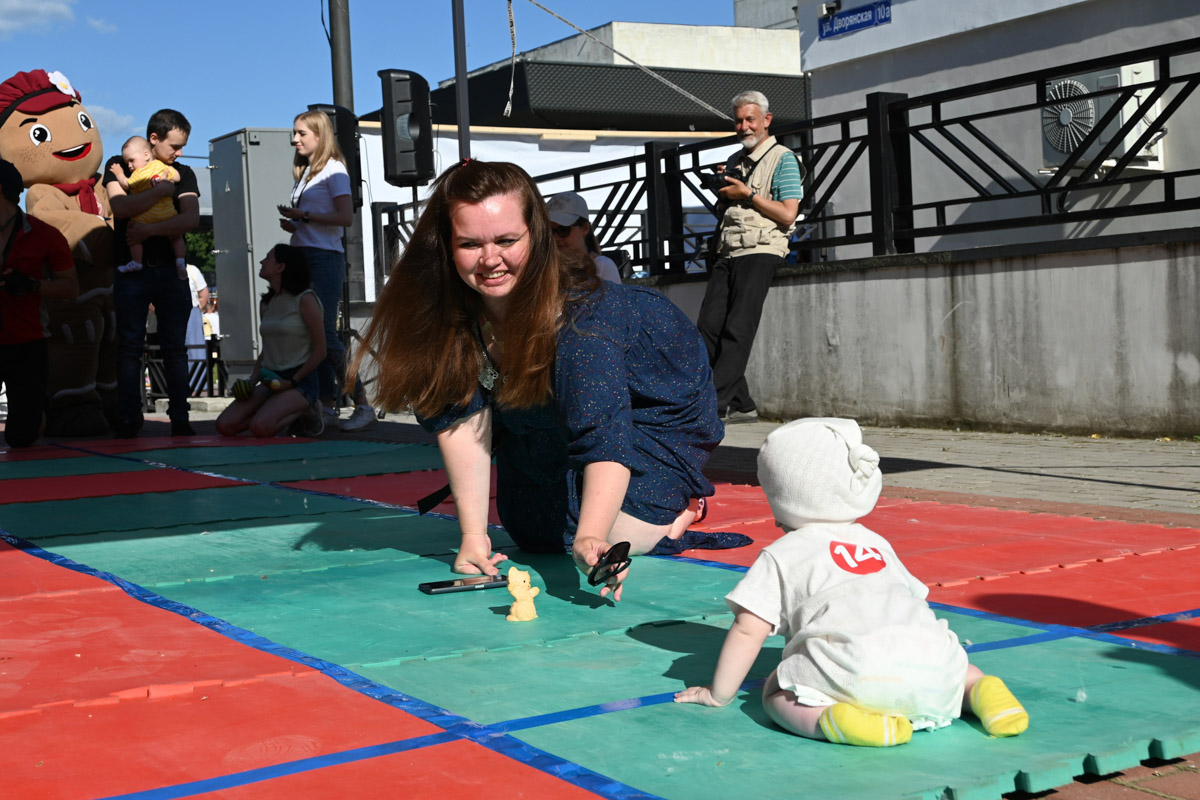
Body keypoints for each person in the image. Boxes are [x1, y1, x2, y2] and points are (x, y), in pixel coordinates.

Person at [356, 160, 724, 600]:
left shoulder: (583, 319)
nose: (490, 259)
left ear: (537, 235)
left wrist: (591, 539)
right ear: (446, 246)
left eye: (506, 240)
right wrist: (473, 537)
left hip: (650, 422)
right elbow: (462, 421)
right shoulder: (448, 311)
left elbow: (604, 435)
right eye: (470, 244)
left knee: (607, 533)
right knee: (533, 532)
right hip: (550, 423)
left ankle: (681, 506)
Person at [675, 418, 1029, 747]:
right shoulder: (878, 544)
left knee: (776, 693)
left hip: (861, 676)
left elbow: (748, 630)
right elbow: (915, 599)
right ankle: (979, 689)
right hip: (934, 668)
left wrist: (718, 694)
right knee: (956, 668)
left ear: (781, 498)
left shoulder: (784, 553)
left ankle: (834, 721)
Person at [697, 90, 803, 423]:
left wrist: (747, 194)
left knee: (738, 328)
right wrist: (724, 187)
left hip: (762, 248)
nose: (744, 127)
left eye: (750, 120)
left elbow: (788, 214)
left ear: (767, 120)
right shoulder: (735, 160)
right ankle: (743, 404)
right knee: (708, 328)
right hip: (728, 248)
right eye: (739, 121)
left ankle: (714, 406)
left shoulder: (784, 158)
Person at [276, 110, 376, 432]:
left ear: (320, 136)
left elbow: (346, 217)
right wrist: (297, 224)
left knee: (324, 334)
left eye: (301, 133)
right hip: (305, 256)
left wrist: (303, 217)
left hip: (324, 259)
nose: (295, 139)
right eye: (294, 133)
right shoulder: (306, 172)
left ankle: (362, 404)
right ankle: (327, 404)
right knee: (310, 334)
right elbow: (320, 220)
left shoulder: (334, 169)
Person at [103, 109, 199, 438]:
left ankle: (180, 417)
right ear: (153, 140)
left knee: (174, 348)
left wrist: (146, 230)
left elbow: (191, 219)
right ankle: (129, 417)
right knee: (130, 346)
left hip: (168, 272)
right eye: (175, 146)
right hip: (134, 274)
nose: (180, 153)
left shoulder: (182, 173)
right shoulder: (121, 164)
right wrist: (159, 194)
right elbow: (120, 208)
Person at [0, 158, 78, 447]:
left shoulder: (45, 235)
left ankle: (37, 408)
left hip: (27, 339)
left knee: (22, 437)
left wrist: (31, 285)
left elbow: (71, 288)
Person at [216, 244, 324, 438]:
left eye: (267, 258)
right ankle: (275, 410)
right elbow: (266, 350)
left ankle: (308, 409)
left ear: (280, 267)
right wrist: (252, 380)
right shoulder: (267, 303)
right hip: (270, 380)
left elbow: (320, 351)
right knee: (225, 426)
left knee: (260, 427)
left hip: (299, 381)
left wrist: (292, 381)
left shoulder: (305, 299)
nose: (261, 261)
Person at [107, 136, 186, 279]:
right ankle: (180, 260)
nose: (129, 165)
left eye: (131, 160)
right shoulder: (160, 166)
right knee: (176, 236)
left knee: (134, 237)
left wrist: (119, 173)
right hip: (167, 213)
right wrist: (168, 176)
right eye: (127, 162)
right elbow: (177, 177)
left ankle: (137, 262)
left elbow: (126, 184)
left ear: (146, 155)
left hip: (146, 217)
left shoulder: (138, 174)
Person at [545, 191, 621, 283]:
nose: (555, 238)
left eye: (563, 229)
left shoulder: (602, 266)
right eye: (550, 231)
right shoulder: (544, 267)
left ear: (585, 228)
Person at [184, 263, 209, 394]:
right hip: (171, 311)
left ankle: (198, 385)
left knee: (195, 349)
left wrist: (197, 310)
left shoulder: (192, 269)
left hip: (191, 310)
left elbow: (204, 292)